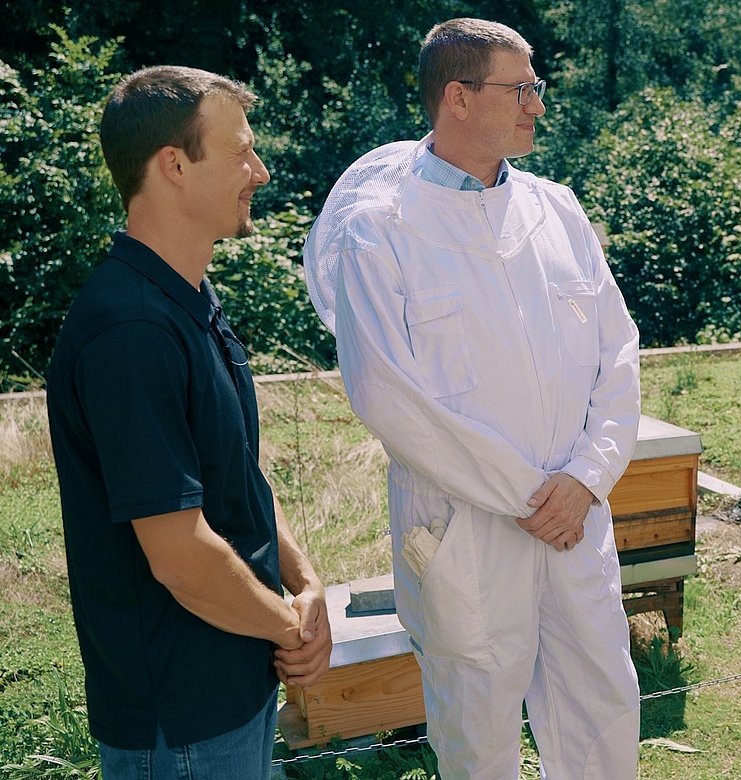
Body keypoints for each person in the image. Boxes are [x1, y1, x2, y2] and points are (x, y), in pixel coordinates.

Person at [302, 17, 641, 780]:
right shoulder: (380, 231)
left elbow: (617, 353)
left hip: (576, 517)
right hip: (465, 531)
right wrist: (531, 494)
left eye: (536, 87)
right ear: (457, 96)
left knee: (603, 709)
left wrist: (586, 477)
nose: (538, 105)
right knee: (477, 733)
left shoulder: (558, 209)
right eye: (521, 88)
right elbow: (388, 395)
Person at [47, 65, 332, 780]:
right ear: (173, 165)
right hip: (180, 725)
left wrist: (306, 582)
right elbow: (179, 555)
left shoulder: (188, 298)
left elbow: (233, 467)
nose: (259, 172)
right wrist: (289, 624)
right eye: (239, 151)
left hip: (233, 684)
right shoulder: (130, 330)